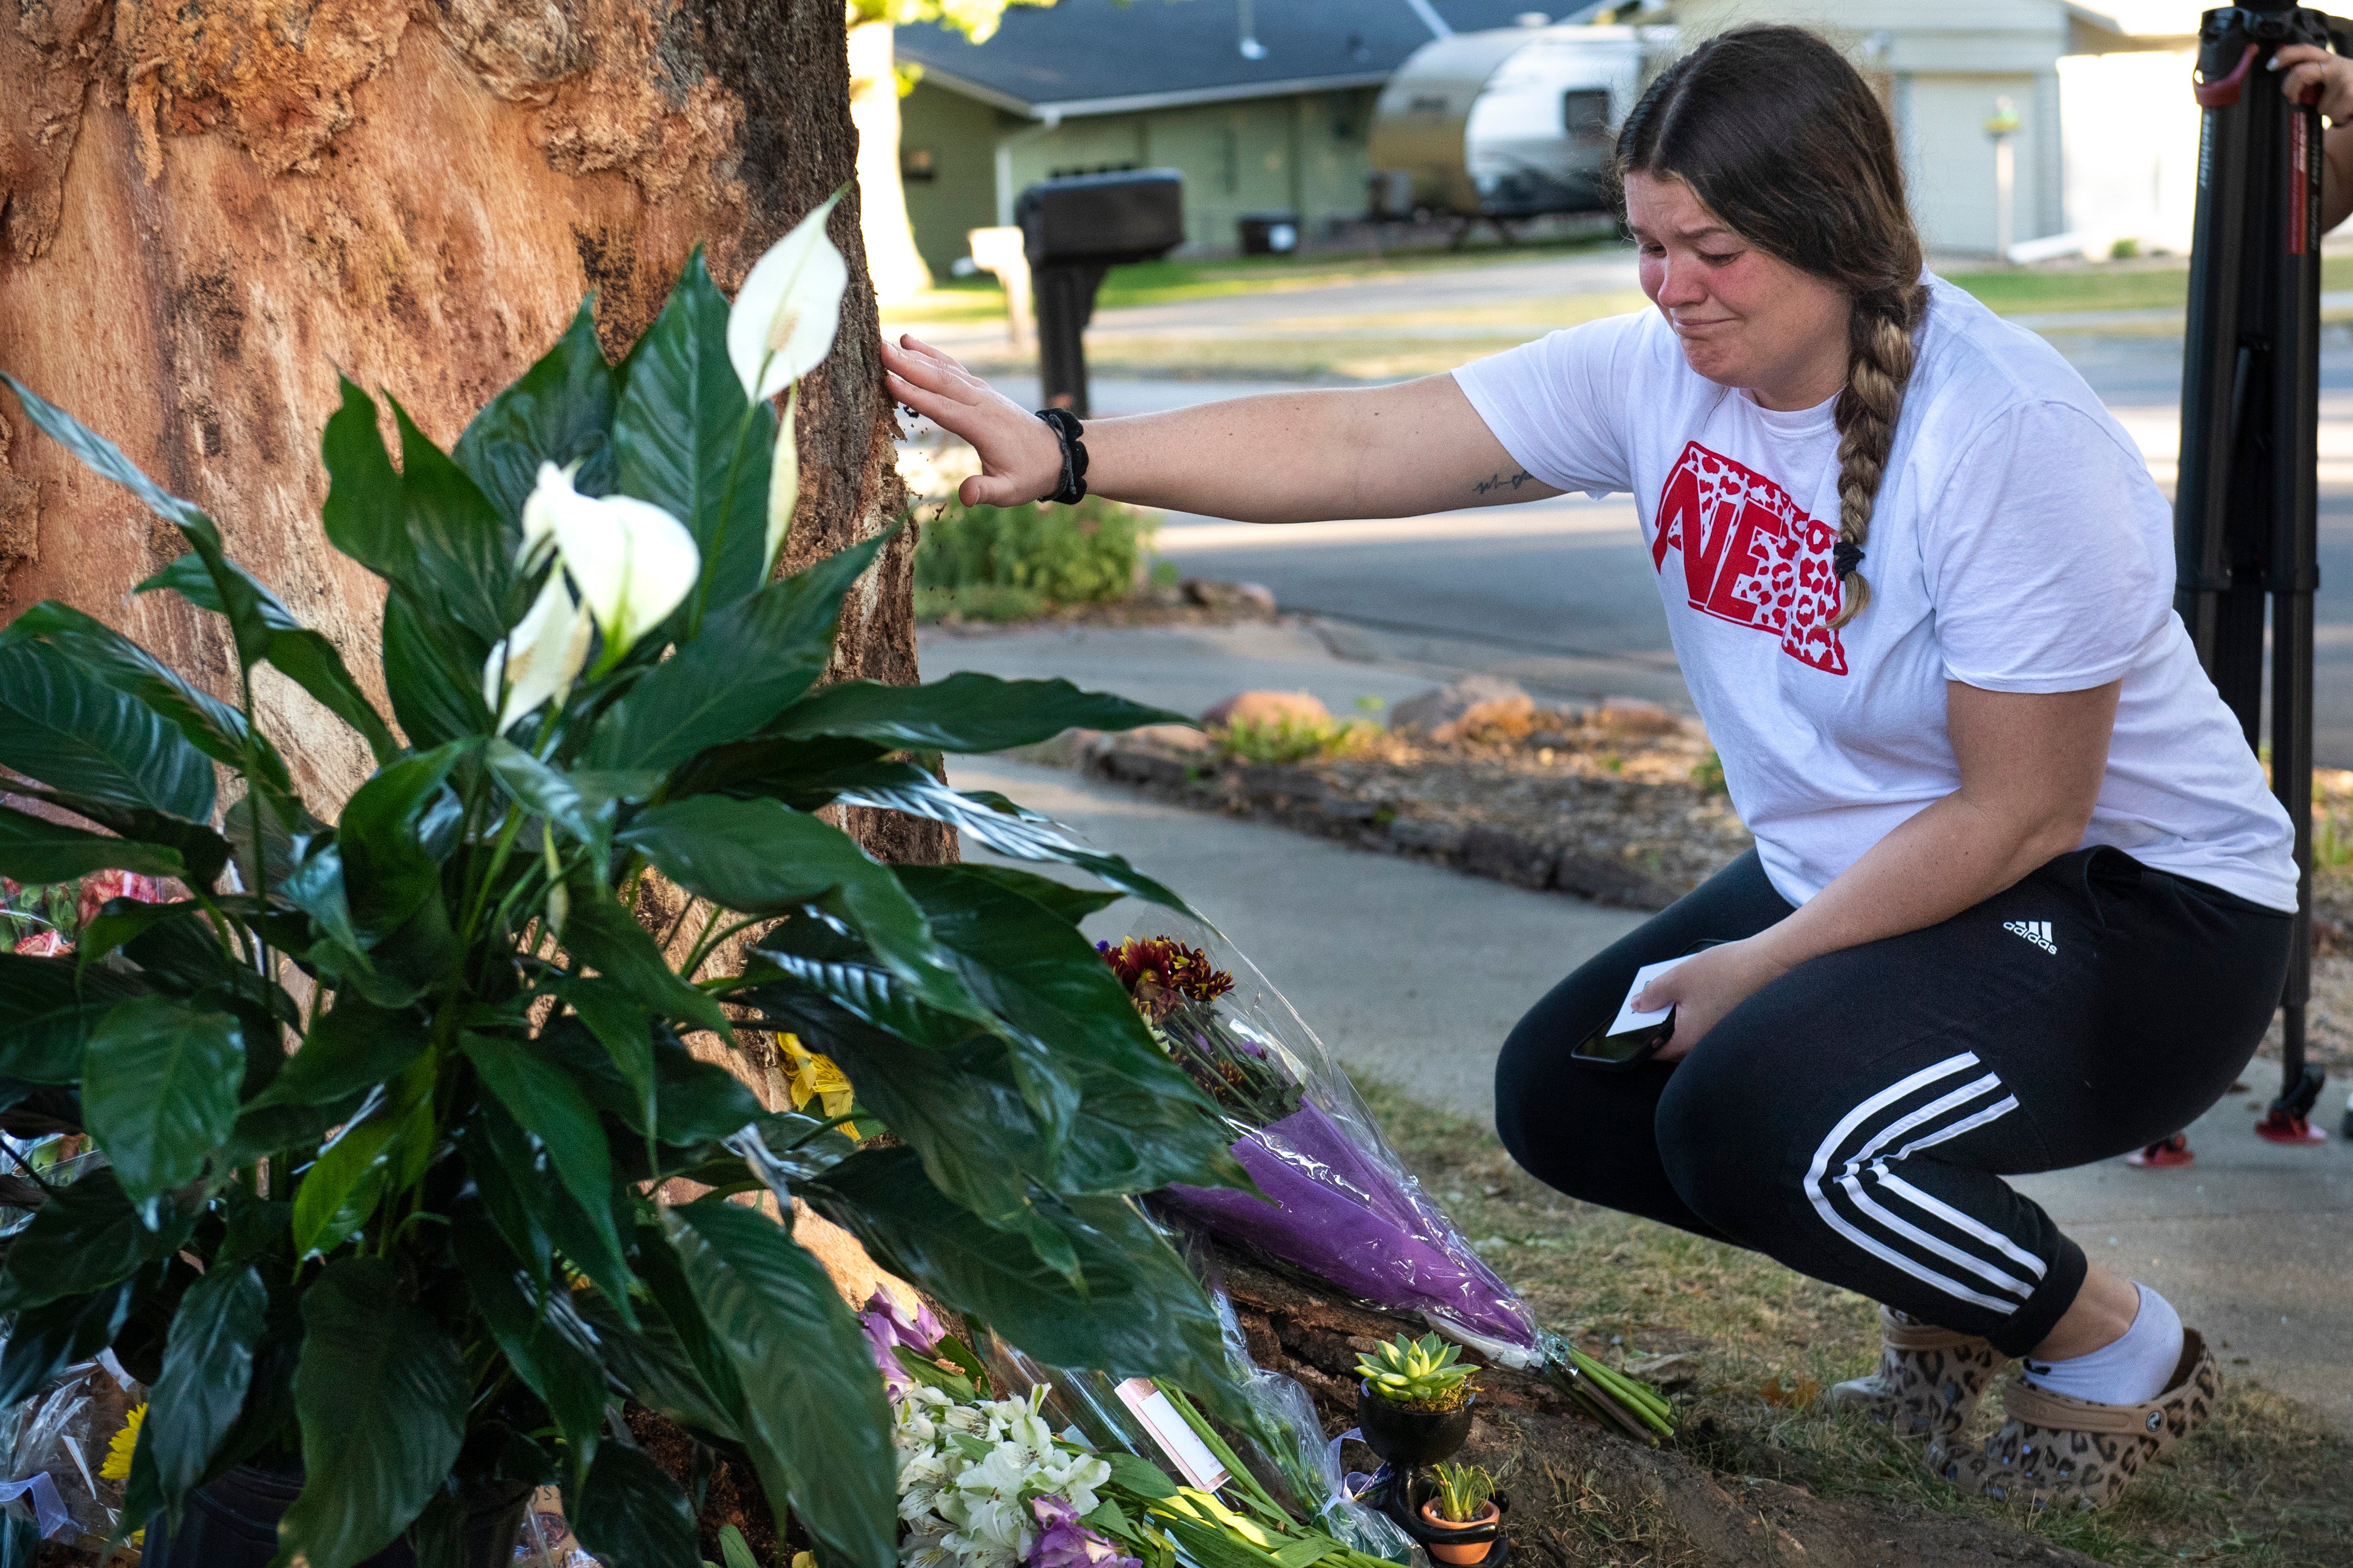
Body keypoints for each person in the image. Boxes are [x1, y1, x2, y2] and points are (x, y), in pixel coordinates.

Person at [886, 26, 2294, 1509]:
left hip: (2137, 919)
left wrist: (1760, 966)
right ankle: (1950, 1297)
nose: (1670, 288)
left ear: (1834, 236)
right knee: (1567, 1099)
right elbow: (1370, 444)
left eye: (1713, 251)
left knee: (1753, 1118)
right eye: (1647, 244)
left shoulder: (2004, 434)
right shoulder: (1653, 370)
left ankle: (2111, 1348)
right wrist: (1070, 449)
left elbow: (2022, 809)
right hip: (1903, 879)